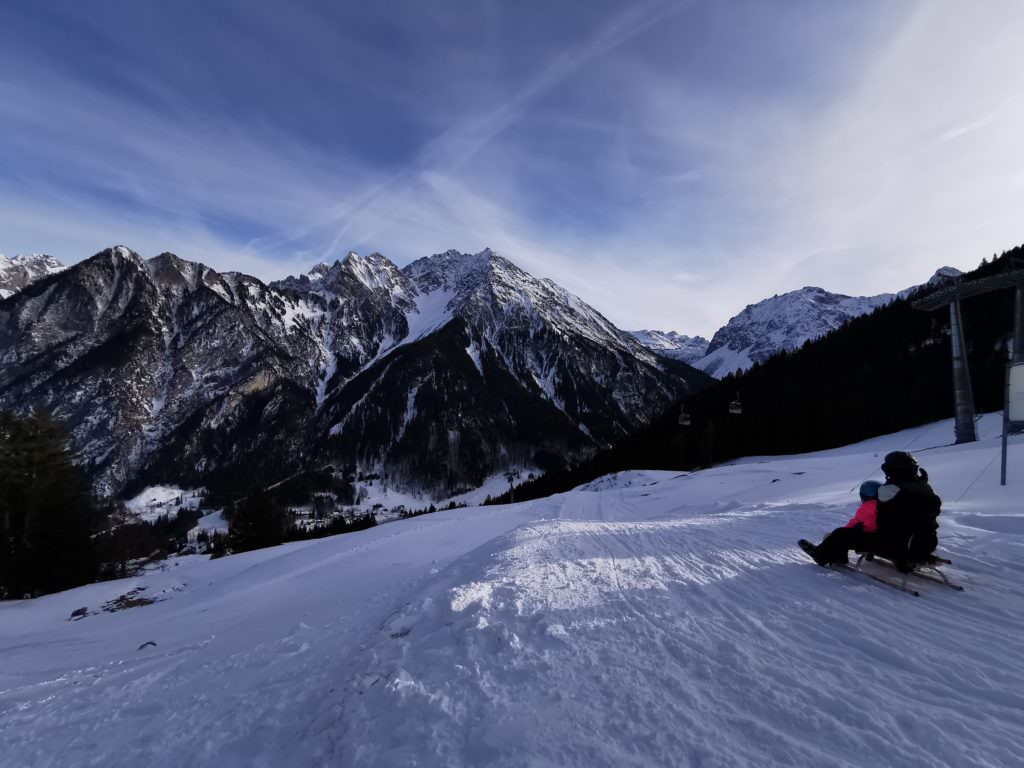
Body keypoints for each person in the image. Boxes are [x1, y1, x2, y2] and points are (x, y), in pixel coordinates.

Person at [874, 450, 941, 570]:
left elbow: (882, 519)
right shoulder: (925, 488)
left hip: (899, 547)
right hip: (928, 544)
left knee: (844, 534)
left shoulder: (889, 489)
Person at [799, 480, 882, 566]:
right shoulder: (884, 505)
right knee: (843, 534)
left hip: (876, 540)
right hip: (884, 538)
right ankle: (840, 555)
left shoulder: (868, 507)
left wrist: (835, 536)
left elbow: (854, 525)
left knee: (840, 533)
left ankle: (821, 556)